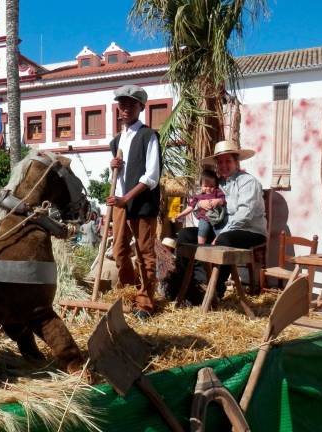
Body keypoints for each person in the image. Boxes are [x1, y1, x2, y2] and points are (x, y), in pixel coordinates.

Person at [174, 140, 268, 300]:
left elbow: (245, 214)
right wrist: (200, 206)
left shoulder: (247, 182)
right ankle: (189, 284)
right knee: (185, 235)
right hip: (221, 229)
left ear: (236, 162)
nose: (223, 165)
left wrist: (222, 233)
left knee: (224, 240)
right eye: (220, 162)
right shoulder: (217, 183)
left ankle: (213, 290)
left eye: (228, 161)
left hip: (249, 231)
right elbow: (202, 208)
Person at [106, 84, 161, 319]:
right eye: (122, 103)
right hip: (119, 203)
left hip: (141, 203)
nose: (125, 108)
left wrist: (126, 198)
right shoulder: (116, 141)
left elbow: (152, 176)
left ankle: (146, 302)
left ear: (141, 107)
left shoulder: (149, 136)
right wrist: (112, 168)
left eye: (131, 104)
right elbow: (117, 179)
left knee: (145, 253)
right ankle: (129, 293)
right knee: (119, 251)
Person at [175, 169, 227, 244]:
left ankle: (215, 244)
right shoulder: (198, 196)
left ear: (216, 186)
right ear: (201, 186)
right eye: (205, 186)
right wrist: (181, 214)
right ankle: (200, 245)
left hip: (217, 219)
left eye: (212, 186)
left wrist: (219, 201)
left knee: (220, 231)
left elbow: (224, 200)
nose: (208, 188)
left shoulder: (217, 192)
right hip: (204, 218)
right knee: (202, 229)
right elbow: (190, 207)